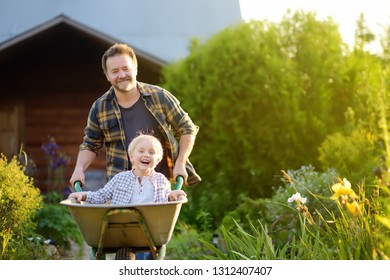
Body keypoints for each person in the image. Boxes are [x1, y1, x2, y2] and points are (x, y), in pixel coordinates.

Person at [69, 43, 201, 188]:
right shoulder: (100, 107)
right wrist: (79, 169)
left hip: (160, 187)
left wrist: (180, 163)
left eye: (126, 68)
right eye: (114, 71)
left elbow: (187, 129)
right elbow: (90, 144)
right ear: (107, 76)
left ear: (136, 69)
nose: (121, 75)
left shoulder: (159, 97)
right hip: (120, 188)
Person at [68, 134, 186, 204]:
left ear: (158, 160)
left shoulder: (161, 180)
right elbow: (101, 196)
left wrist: (172, 195)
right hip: (122, 225)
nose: (146, 155)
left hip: (152, 226)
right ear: (132, 157)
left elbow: (166, 199)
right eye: (141, 151)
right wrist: (84, 196)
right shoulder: (120, 179)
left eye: (152, 152)